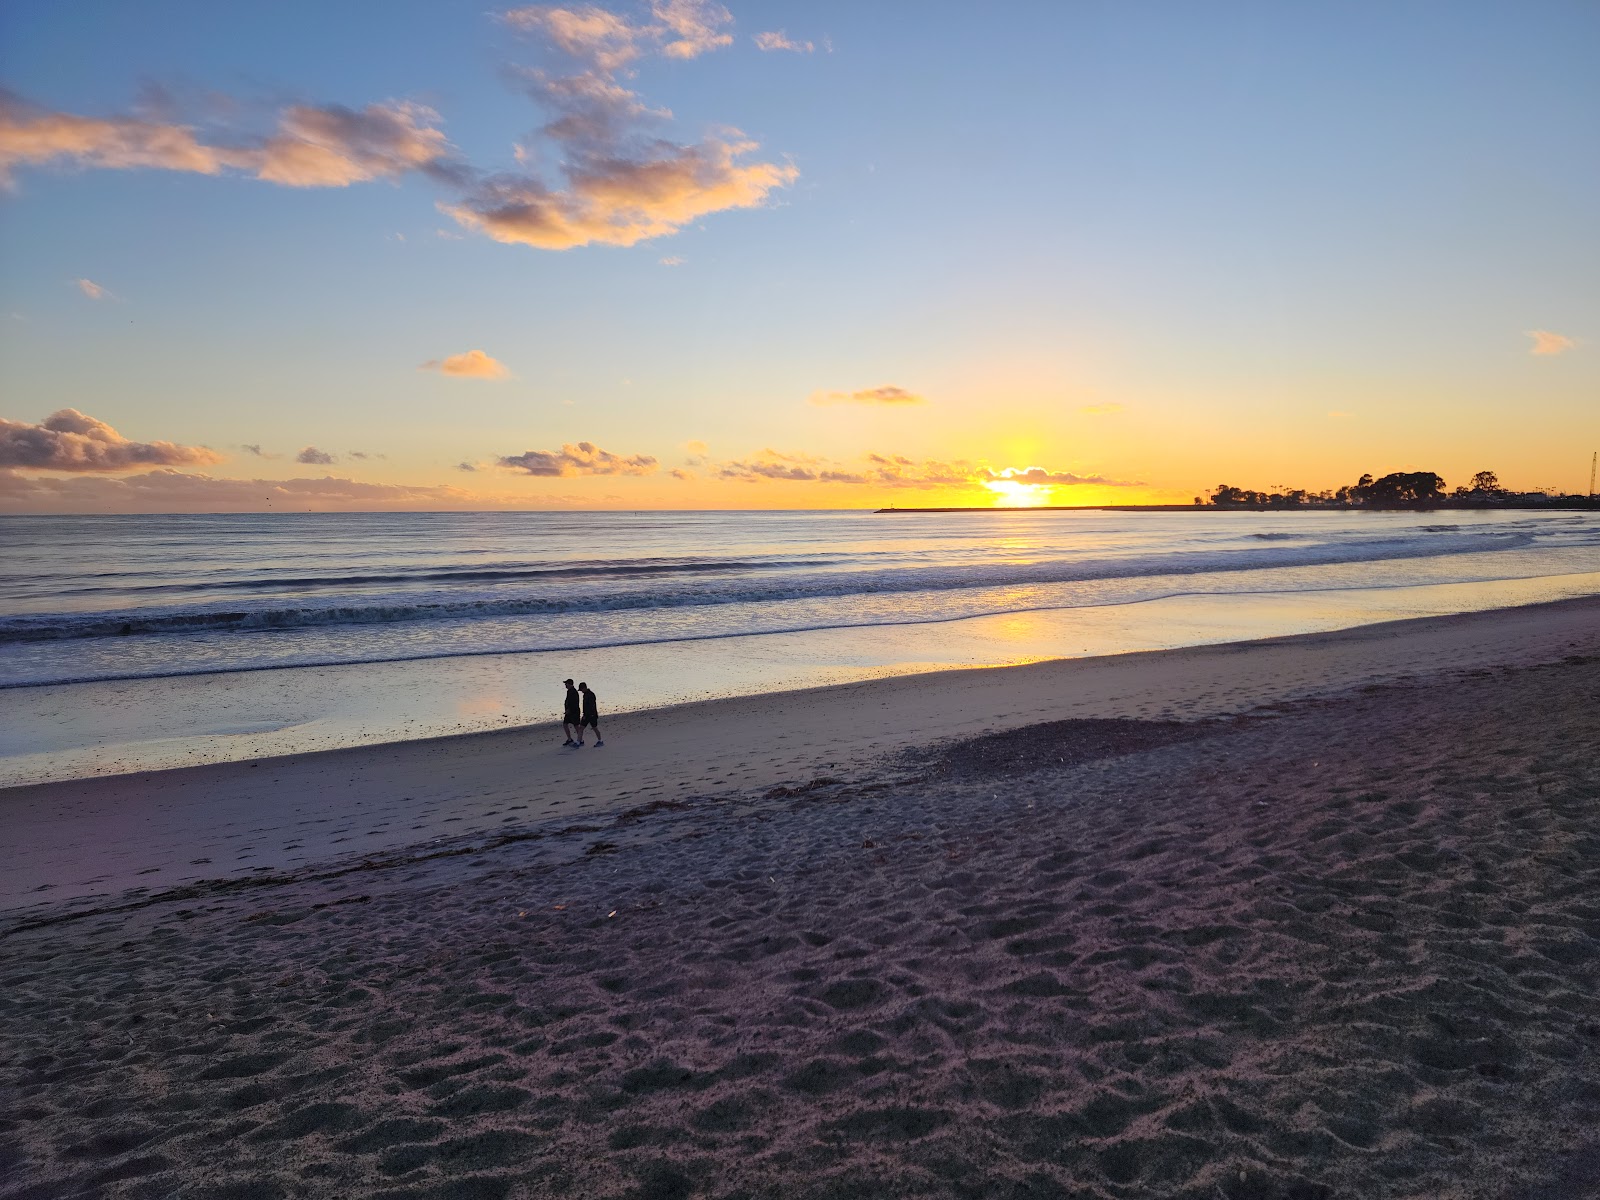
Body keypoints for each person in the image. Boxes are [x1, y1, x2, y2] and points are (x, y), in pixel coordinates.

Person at [577, 681, 603, 747]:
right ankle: (578, 742)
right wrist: (584, 714)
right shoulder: (585, 695)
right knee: (581, 728)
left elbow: (591, 706)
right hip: (586, 715)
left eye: (581, 689)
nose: (581, 691)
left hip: (592, 715)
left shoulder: (591, 695)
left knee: (595, 728)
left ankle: (600, 741)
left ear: (584, 688)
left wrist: (588, 715)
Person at [562, 678, 581, 746]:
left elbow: (574, 703)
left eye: (566, 684)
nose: (565, 685)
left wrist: (569, 710)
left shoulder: (574, 692)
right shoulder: (569, 691)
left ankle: (580, 739)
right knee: (565, 724)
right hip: (569, 712)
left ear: (570, 684)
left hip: (574, 712)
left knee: (576, 726)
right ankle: (569, 739)